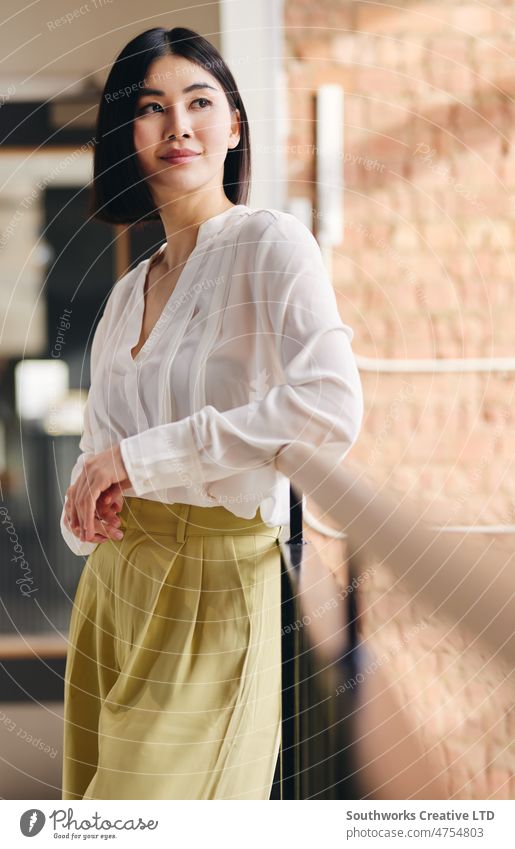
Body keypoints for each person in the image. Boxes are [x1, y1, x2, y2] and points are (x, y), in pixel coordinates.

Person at [60, 25, 364, 800]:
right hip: (117, 587)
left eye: (200, 102)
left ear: (233, 125)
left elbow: (330, 404)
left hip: (219, 586)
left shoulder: (271, 244)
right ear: (126, 134)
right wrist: (88, 502)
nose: (179, 126)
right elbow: (99, 451)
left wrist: (141, 459)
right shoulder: (129, 290)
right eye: (152, 107)